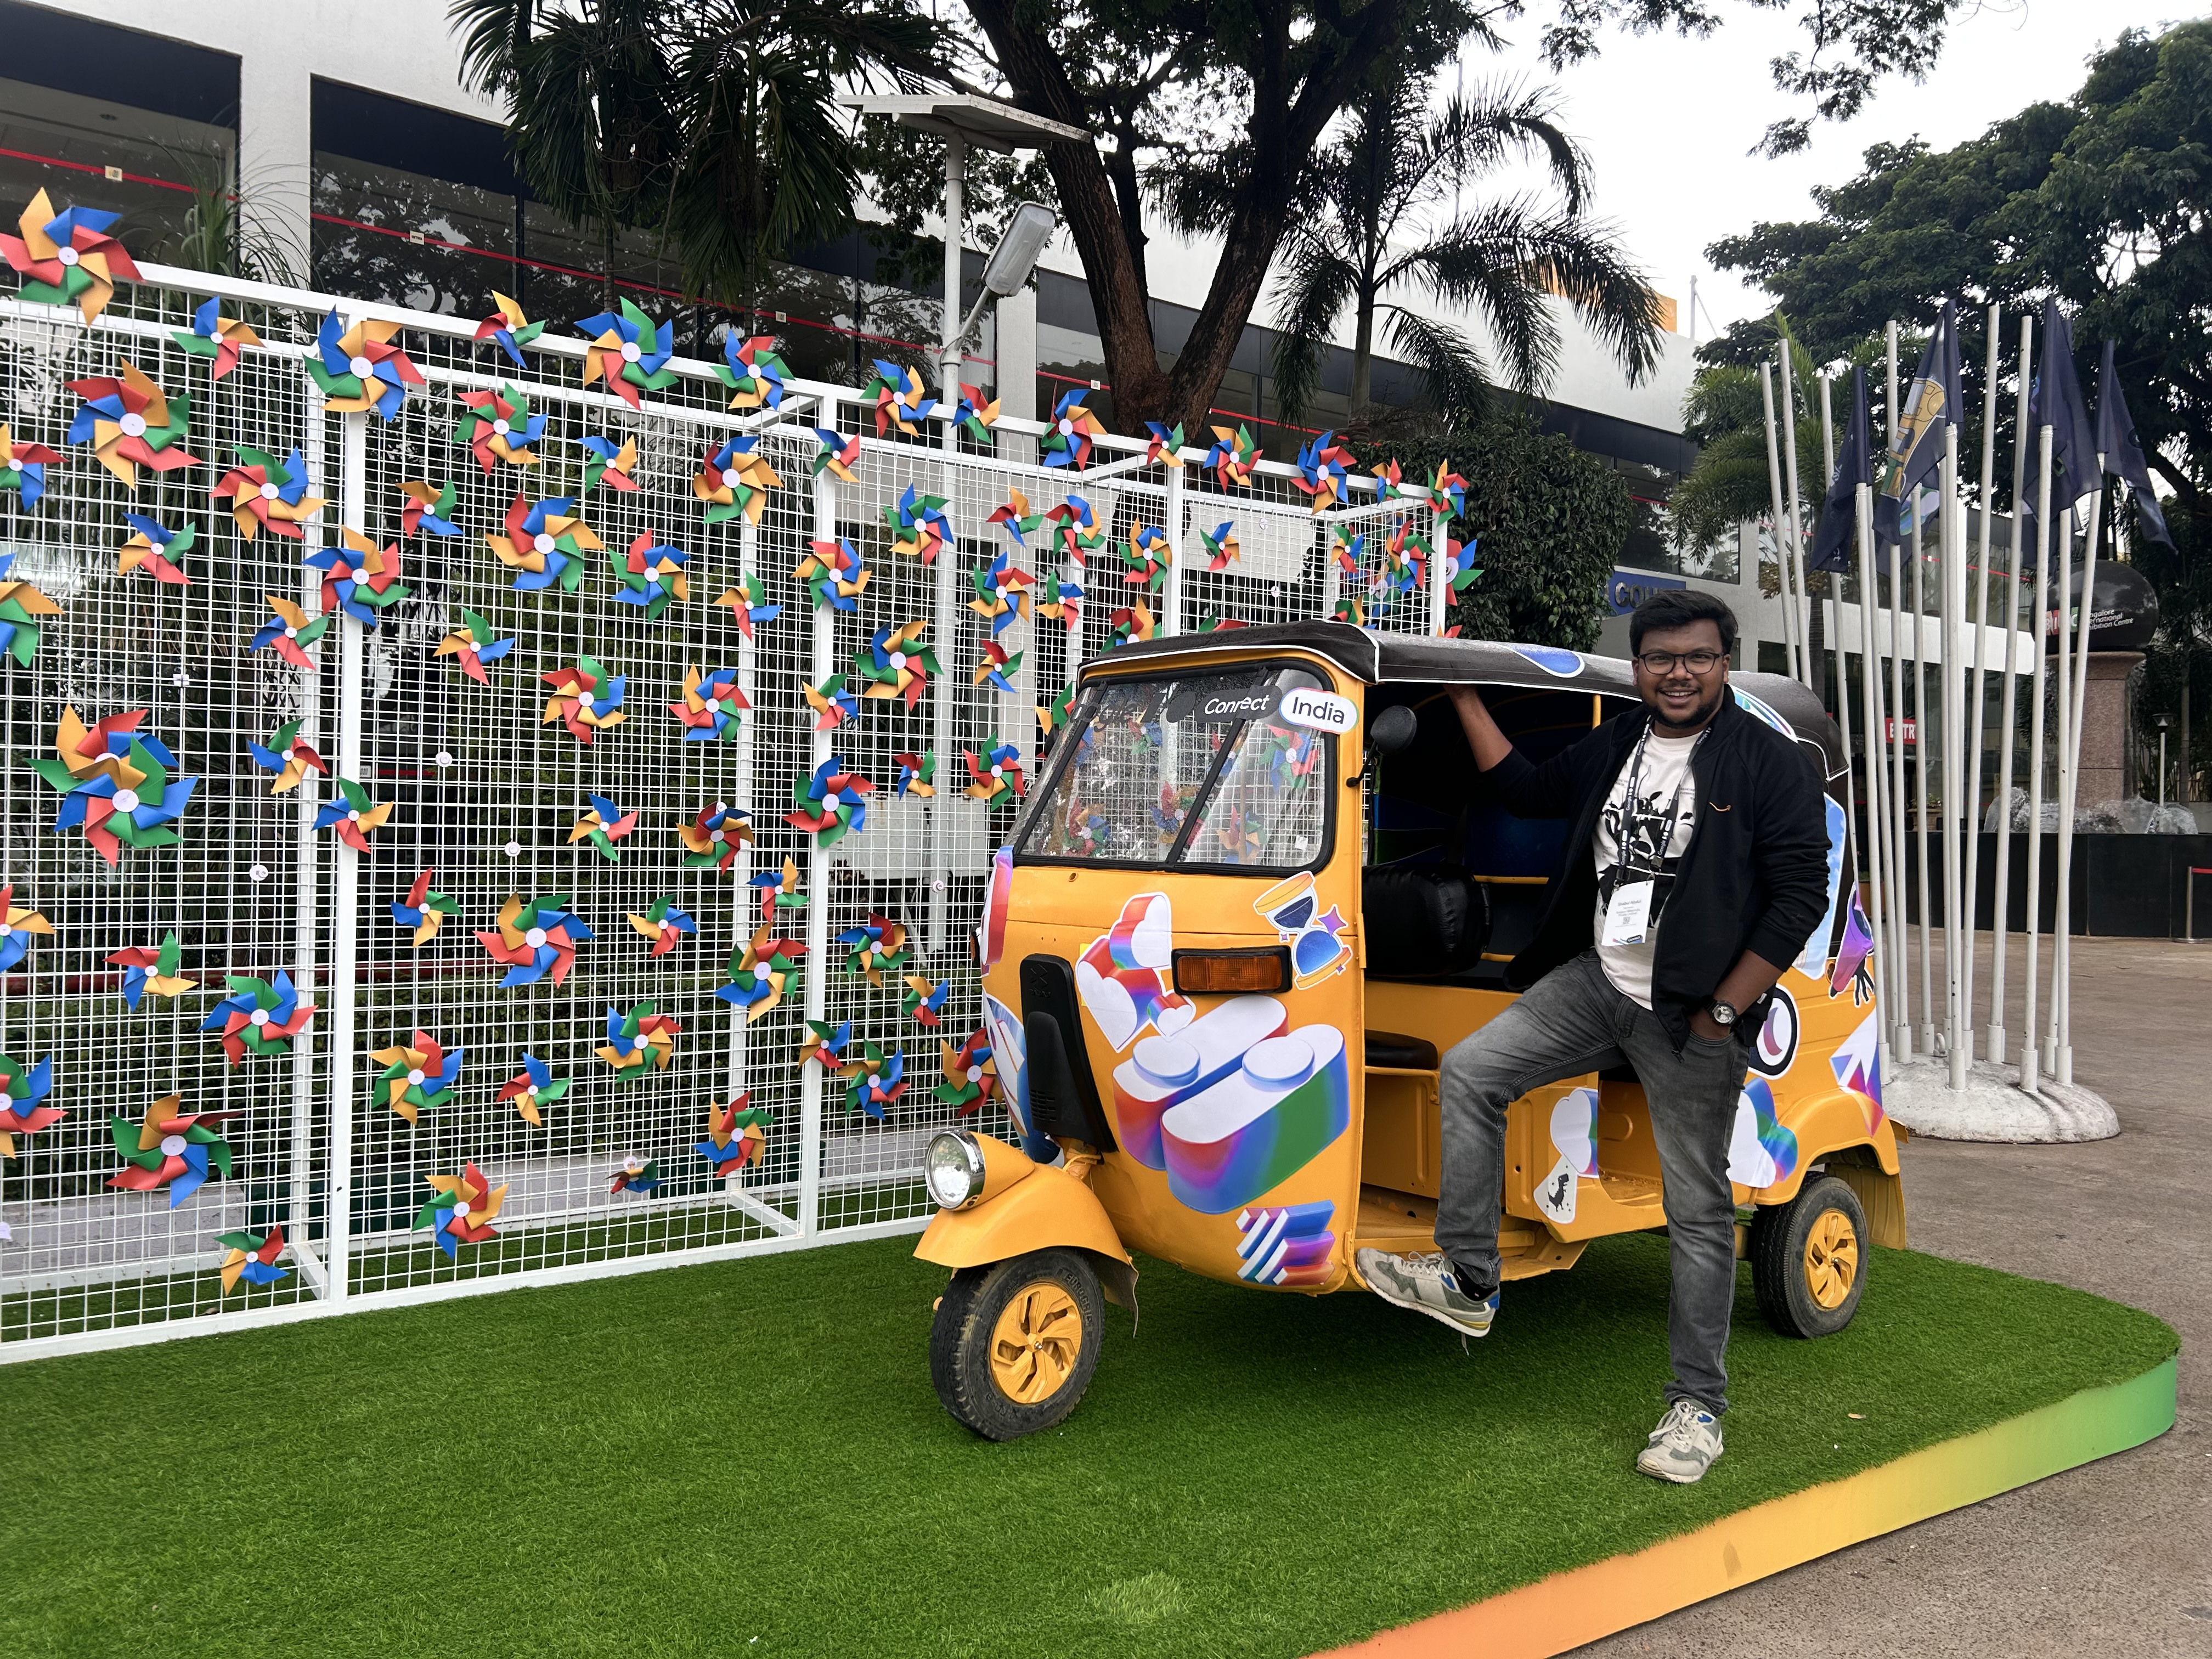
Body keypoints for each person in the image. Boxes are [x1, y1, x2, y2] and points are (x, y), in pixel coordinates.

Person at [1356, 590, 1831, 1484]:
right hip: (1598, 978)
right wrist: (1462, 694)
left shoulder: (1766, 762)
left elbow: (1799, 897)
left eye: (1695, 657)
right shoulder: (1619, 743)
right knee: (1472, 1071)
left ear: (1724, 661)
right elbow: (1524, 789)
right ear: (1640, 667)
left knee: (1696, 1212)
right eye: (1659, 658)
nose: (1677, 672)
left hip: (1693, 1009)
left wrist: (1725, 1009)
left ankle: (1697, 1409)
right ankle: (1470, 1283)